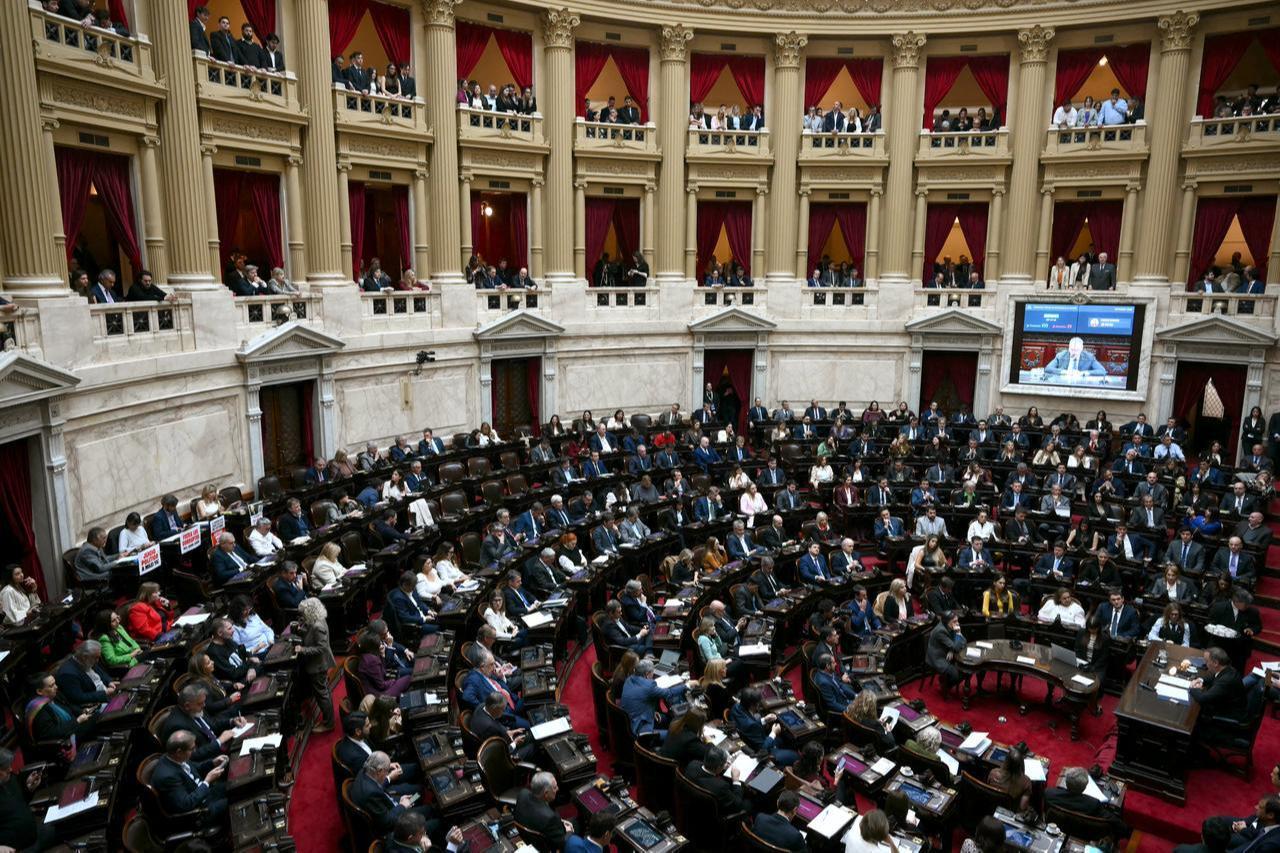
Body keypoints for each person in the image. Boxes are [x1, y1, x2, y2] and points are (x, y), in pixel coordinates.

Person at [152, 730, 228, 824]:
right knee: (234, 800)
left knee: (235, 786)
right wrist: (207, 781)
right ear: (179, 752)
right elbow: (187, 804)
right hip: (200, 811)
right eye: (192, 749)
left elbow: (196, 767)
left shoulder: (174, 757)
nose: (195, 750)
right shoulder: (167, 777)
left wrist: (212, 762)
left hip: (205, 794)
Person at [1045, 767, 1130, 840]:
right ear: (1085, 787)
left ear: (1066, 782)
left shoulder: (1049, 793)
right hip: (1083, 835)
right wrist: (1127, 831)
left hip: (1055, 828)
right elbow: (1112, 821)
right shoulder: (1093, 804)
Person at [730, 686, 799, 766]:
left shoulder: (736, 707)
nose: (759, 704)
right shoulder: (751, 725)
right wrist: (773, 733)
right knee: (795, 755)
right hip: (760, 752)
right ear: (752, 705)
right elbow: (762, 748)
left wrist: (764, 720)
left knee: (782, 739)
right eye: (758, 703)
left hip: (749, 738)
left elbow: (749, 724)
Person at [298, 597, 336, 731]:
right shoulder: (316, 620)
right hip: (318, 663)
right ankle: (328, 720)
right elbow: (310, 635)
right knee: (323, 691)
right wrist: (301, 630)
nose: (301, 616)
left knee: (322, 694)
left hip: (318, 665)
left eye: (303, 613)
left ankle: (328, 723)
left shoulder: (318, 626)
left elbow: (321, 648)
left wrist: (303, 650)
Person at [515, 772, 573, 849]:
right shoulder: (550, 817)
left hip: (526, 833)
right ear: (546, 794)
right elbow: (561, 843)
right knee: (575, 824)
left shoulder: (522, 793)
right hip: (545, 846)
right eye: (554, 787)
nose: (557, 789)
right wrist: (569, 832)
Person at [987, 746, 1033, 811]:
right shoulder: (1026, 781)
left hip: (991, 805)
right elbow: (1022, 807)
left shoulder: (993, 772)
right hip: (1009, 810)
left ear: (1006, 761)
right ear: (1021, 763)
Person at [927, 611, 966, 687]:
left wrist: (951, 649)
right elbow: (957, 647)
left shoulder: (949, 625)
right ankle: (944, 686)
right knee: (957, 675)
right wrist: (958, 634)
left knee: (965, 669)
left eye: (957, 620)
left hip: (946, 650)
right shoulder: (940, 631)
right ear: (947, 622)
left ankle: (944, 680)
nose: (957, 623)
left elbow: (964, 641)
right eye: (954, 621)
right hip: (938, 658)